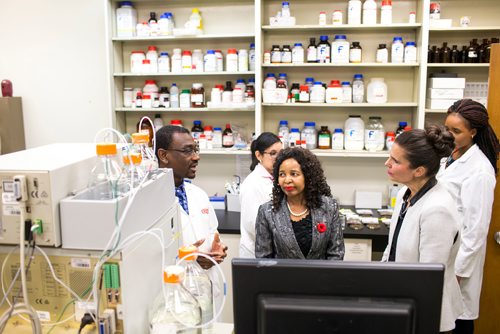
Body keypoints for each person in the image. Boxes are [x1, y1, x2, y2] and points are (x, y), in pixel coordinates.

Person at [382, 126, 463, 333]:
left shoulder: (437, 209)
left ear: (419, 171)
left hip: (427, 314)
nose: (387, 163)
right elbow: (392, 248)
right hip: (401, 301)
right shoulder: (404, 194)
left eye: (396, 161)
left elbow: (428, 279)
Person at [436, 99, 499, 334]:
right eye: (446, 128)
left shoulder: (480, 170)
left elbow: (476, 230)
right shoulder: (449, 156)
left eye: (456, 131)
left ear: (473, 132)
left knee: (457, 321)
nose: (449, 135)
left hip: (459, 268)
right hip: (445, 254)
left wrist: (458, 273)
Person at [155, 125, 227, 269]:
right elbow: (149, 255)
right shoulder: (150, 201)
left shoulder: (199, 194)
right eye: (187, 151)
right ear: (163, 155)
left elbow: (213, 232)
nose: (196, 157)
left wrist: (217, 248)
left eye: (195, 150)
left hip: (208, 281)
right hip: (175, 284)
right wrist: (190, 257)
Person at [255, 147, 344, 260]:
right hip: (282, 277)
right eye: (282, 174)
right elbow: (263, 260)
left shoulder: (329, 207)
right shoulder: (267, 212)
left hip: (321, 277)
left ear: (308, 177)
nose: (287, 180)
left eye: (294, 174)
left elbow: (336, 254)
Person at [239, 132, 282, 258]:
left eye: (281, 153)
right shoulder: (252, 184)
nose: (279, 158)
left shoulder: (276, 177)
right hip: (256, 253)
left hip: (274, 252)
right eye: (273, 153)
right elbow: (254, 225)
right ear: (259, 155)